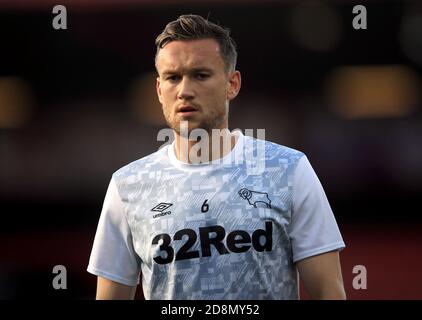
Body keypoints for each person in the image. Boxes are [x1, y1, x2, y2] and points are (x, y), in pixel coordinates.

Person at [87, 14, 346, 300]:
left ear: (232, 84)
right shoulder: (128, 186)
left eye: (200, 75)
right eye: (173, 78)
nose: (185, 91)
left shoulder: (288, 170)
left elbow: (329, 292)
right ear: (160, 91)